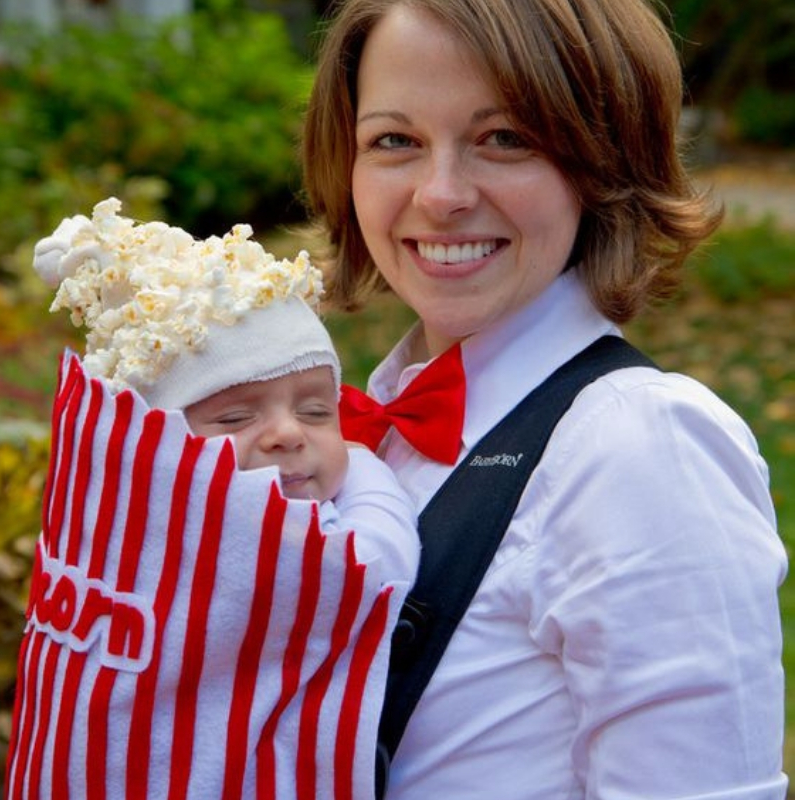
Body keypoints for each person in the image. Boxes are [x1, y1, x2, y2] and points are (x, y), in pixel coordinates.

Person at [302, 0, 789, 798]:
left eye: (506, 138)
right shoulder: (355, 429)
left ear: (606, 159)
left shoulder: (639, 448)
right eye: (395, 140)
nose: (441, 194)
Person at [5, 198, 420, 800]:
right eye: (234, 417)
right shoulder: (249, 543)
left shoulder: (107, 527)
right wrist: (365, 465)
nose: (287, 433)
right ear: (161, 446)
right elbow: (376, 566)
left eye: (316, 411)